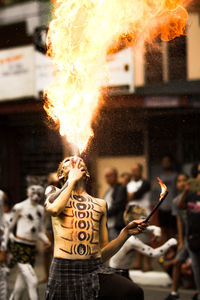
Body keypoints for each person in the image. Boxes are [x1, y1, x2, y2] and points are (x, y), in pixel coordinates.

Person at [44, 156, 147, 300]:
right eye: (68, 162)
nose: (75, 161)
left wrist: (126, 233)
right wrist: (71, 181)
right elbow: (54, 210)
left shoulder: (100, 204)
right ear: (61, 175)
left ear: (86, 172)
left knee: (133, 292)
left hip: (93, 269)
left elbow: (101, 254)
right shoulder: (54, 192)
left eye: (80, 161)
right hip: (64, 271)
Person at [0, 185, 51, 300]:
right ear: (27, 192)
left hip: (31, 249)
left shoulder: (40, 210)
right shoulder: (19, 207)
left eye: (39, 193)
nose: (36, 196)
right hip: (20, 247)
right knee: (32, 281)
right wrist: (3, 248)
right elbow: (8, 228)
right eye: (33, 192)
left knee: (20, 284)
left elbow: (38, 231)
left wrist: (46, 241)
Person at [164, 173, 190, 300]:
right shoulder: (175, 201)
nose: (182, 183)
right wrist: (180, 240)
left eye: (184, 180)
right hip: (185, 237)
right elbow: (179, 222)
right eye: (179, 181)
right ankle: (174, 292)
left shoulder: (193, 197)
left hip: (195, 235)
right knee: (177, 262)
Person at [178, 162, 200, 300]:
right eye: (197, 173)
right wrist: (186, 190)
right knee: (197, 269)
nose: (199, 176)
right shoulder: (190, 193)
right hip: (193, 237)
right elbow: (180, 205)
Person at [127, 162, 151, 271]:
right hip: (132, 214)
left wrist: (132, 195)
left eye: (136, 170)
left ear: (141, 171)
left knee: (145, 239)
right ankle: (138, 263)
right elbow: (127, 197)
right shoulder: (129, 184)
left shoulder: (145, 183)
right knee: (136, 238)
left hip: (144, 213)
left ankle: (147, 264)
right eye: (132, 170)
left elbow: (137, 195)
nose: (134, 172)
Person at [157, 155, 178, 242]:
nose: (165, 164)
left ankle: (173, 251)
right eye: (163, 162)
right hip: (162, 207)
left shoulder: (176, 176)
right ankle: (166, 251)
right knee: (163, 231)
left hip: (172, 208)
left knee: (173, 231)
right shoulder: (160, 177)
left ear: (171, 163)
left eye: (167, 161)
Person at [104, 167, 127, 240]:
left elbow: (117, 206)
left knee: (117, 249)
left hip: (116, 225)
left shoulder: (121, 188)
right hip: (108, 224)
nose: (108, 178)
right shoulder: (109, 190)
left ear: (116, 176)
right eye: (106, 176)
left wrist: (104, 214)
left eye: (110, 175)